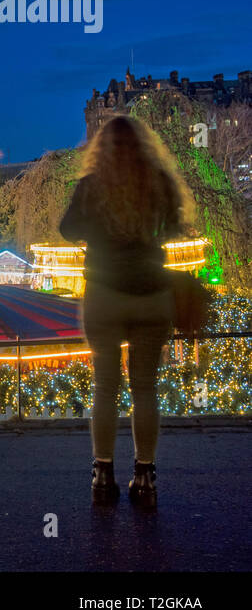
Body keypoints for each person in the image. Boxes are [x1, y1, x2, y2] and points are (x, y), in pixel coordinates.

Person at [60, 115, 192, 508]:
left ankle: (102, 474)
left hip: (104, 292)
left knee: (106, 387)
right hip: (152, 293)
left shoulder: (90, 187)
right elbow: (173, 228)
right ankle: (145, 475)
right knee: (145, 388)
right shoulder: (159, 182)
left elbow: (68, 230)